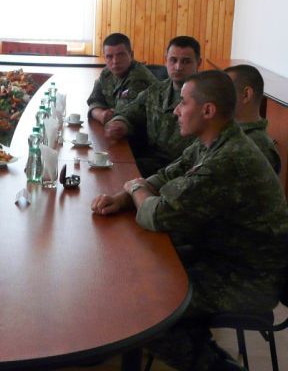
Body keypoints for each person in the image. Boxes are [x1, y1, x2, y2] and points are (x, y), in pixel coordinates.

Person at [92, 70, 288, 371]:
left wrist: (135, 190)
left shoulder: (228, 158)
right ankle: (195, 347)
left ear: (207, 111)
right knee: (133, 272)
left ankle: (213, 365)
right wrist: (123, 196)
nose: (175, 110)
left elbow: (158, 215)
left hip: (246, 279)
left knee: (146, 308)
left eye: (183, 102)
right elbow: (168, 174)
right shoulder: (216, 139)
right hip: (218, 255)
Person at [105, 36, 202, 177]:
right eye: (173, 60)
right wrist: (120, 123)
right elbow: (131, 112)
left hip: (183, 169)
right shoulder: (156, 90)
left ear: (198, 63)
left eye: (186, 61)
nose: (178, 67)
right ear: (165, 60)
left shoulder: (205, 98)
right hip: (152, 161)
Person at [87, 33, 157, 124]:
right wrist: (101, 115)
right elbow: (94, 100)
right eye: (109, 57)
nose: (115, 61)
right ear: (104, 58)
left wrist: (102, 114)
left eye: (120, 55)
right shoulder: (107, 73)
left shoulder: (138, 78)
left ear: (131, 55)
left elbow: (123, 115)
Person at [225, 64, 281, 174]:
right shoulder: (231, 130)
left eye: (223, 91)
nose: (216, 98)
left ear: (246, 95)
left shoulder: (258, 146)